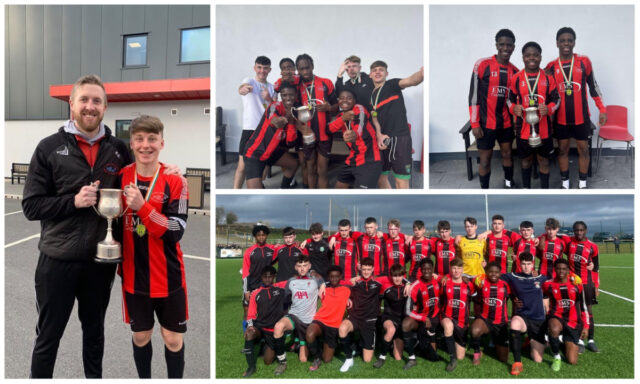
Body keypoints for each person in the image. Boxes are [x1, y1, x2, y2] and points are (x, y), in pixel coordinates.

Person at [22, 74, 133, 378]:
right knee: (48, 338)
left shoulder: (119, 150)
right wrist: (73, 201)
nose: (90, 106)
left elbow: (143, 178)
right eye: (83, 99)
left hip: (100, 262)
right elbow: (31, 206)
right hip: (57, 261)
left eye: (96, 100)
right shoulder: (49, 147)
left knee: (95, 335)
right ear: (71, 104)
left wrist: (169, 169)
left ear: (105, 106)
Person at [120, 115, 189, 378]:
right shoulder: (121, 177)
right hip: (134, 278)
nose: (145, 145)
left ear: (162, 143)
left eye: (151, 139)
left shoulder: (176, 181)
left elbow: (176, 230)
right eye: (139, 139)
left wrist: (143, 208)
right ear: (132, 143)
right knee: (141, 336)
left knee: (172, 338)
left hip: (169, 276)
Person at [545, 27, 607, 189]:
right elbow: (544, 92)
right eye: (563, 40)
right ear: (557, 43)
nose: (566, 43)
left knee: (584, 150)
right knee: (563, 150)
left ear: (574, 42)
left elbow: (593, 87)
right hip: (561, 120)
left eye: (570, 40)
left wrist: (602, 109)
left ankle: (582, 183)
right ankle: (565, 183)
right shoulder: (551, 66)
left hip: (581, 119)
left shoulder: (583, 62)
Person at [468, 28, 519, 189]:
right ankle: (484, 190)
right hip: (485, 124)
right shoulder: (482, 65)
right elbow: (473, 96)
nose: (505, 48)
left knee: (507, 154)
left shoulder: (515, 71)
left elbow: (515, 100)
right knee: (485, 159)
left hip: (505, 124)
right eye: (502, 44)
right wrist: (474, 124)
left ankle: (509, 184)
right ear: (496, 45)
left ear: (513, 47)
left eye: (509, 45)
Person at [507, 42, 560, 189]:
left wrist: (549, 108)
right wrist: (514, 108)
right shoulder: (516, 78)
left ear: (540, 57)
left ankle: (545, 190)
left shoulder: (548, 78)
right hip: (523, 131)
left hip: (544, 130)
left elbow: (557, 99)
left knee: (544, 161)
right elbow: (508, 99)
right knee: (525, 161)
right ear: (523, 57)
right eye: (528, 55)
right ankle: (526, 189)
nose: (532, 58)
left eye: (535, 55)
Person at [369, 61, 424, 189]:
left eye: (381, 70)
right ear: (370, 74)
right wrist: (378, 134)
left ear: (386, 73)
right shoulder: (371, 96)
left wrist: (421, 74)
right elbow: (374, 117)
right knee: (380, 178)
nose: (377, 72)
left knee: (401, 182)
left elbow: (411, 81)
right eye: (375, 70)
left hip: (400, 139)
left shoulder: (391, 85)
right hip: (383, 140)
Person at [271, 255, 326, 375]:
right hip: (294, 316)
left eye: (305, 266)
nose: (302, 268)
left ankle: (303, 342)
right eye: (299, 266)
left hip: (308, 321)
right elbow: (286, 300)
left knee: (303, 359)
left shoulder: (315, 279)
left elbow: (325, 283)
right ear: (296, 267)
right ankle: (282, 362)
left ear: (309, 266)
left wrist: (323, 285)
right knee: (278, 327)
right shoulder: (291, 281)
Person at [242, 83, 300, 189]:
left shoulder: (294, 113)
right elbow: (274, 120)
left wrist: (291, 122)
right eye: (284, 95)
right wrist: (281, 120)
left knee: (293, 164)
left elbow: (290, 142)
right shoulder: (274, 106)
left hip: (271, 152)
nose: (288, 98)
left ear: (296, 96)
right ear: (281, 96)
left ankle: (284, 189)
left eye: (291, 95)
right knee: (254, 194)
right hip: (255, 153)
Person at [500, 252, 549, 375]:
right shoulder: (512, 276)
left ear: (533, 264)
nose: (526, 267)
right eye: (523, 264)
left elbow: (558, 278)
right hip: (523, 317)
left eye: (528, 264)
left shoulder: (540, 277)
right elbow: (493, 275)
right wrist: (512, 296)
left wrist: (574, 278)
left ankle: (533, 341)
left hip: (538, 320)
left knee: (537, 360)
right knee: (514, 324)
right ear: (519, 264)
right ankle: (517, 363)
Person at [295, 53, 338, 189]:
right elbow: (292, 112)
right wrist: (302, 129)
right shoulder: (296, 87)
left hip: (324, 135)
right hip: (307, 135)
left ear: (312, 66)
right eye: (301, 69)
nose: (305, 72)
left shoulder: (326, 82)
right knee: (310, 170)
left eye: (307, 68)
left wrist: (329, 107)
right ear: (298, 70)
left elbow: (338, 106)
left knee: (322, 171)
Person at [235, 56, 276, 189]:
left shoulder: (272, 87)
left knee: (262, 164)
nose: (262, 71)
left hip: (265, 130)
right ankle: (235, 190)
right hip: (250, 128)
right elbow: (242, 88)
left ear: (269, 70)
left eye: (265, 68)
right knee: (242, 166)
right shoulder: (249, 80)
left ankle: (258, 186)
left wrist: (269, 98)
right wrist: (243, 89)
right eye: (259, 67)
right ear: (255, 68)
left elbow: (275, 108)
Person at [328, 89, 382, 188]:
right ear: (338, 101)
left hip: (370, 160)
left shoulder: (359, 108)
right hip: (352, 159)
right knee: (338, 189)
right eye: (342, 98)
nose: (345, 101)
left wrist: (355, 134)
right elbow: (329, 129)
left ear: (354, 101)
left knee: (361, 197)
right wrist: (343, 118)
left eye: (349, 98)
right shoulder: (341, 116)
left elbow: (360, 125)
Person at [338, 258, 384, 372]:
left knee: (367, 360)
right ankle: (349, 358)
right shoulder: (355, 282)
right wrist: (347, 297)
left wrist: (408, 283)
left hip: (369, 321)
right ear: (360, 269)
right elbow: (337, 281)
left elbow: (397, 278)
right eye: (364, 269)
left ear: (373, 269)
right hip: (355, 318)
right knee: (342, 328)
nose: (366, 272)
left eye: (369, 269)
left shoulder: (379, 283)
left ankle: (358, 346)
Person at [543, 259, 589, 371]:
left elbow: (583, 306)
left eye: (564, 269)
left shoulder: (577, 285)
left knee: (572, 361)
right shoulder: (548, 285)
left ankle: (559, 341)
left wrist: (586, 326)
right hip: (556, 315)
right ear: (555, 269)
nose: (561, 271)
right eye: (558, 268)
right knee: (554, 328)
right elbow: (540, 296)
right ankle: (556, 357)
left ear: (568, 270)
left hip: (573, 320)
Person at [242, 266, 288, 377]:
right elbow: (251, 314)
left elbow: (295, 279)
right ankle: (251, 367)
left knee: (267, 361)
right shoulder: (256, 293)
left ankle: (265, 345)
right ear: (261, 277)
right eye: (265, 277)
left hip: (274, 331)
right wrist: (250, 326)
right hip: (261, 327)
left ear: (274, 277)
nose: (267, 279)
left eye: (270, 277)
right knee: (249, 333)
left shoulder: (280, 288)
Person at [306, 266, 351, 371]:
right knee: (310, 333)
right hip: (320, 320)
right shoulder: (324, 288)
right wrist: (323, 284)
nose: (334, 279)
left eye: (336, 276)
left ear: (341, 277)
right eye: (331, 277)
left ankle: (324, 345)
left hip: (334, 326)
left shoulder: (346, 289)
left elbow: (358, 285)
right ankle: (317, 357)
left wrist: (349, 299)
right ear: (328, 278)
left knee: (327, 359)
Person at [565, 221, 600, 353]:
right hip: (573, 283)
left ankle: (591, 340)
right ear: (573, 231)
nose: (579, 233)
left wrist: (596, 285)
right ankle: (579, 340)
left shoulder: (592, 246)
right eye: (576, 230)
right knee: (576, 311)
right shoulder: (569, 243)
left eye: (581, 230)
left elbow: (596, 267)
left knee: (588, 311)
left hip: (587, 283)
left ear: (586, 230)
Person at [402, 258, 441, 370]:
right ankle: (411, 358)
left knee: (433, 357)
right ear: (420, 270)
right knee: (405, 325)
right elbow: (408, 310)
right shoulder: (415, 286)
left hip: (435, 318)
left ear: (432, 269)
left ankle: (422, 341)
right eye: (424, 269)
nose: (427, 271)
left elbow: (449, 280)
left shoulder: (437, 281)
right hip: (421, 319)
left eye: (429, 269)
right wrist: (423, 318)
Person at [469, 262, 511, 365]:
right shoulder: (481, 282)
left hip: (500, 322)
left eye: (496, 272)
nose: (493, 274)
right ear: (486, 272)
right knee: (475, 330)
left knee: (503, 359)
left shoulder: (505, 285)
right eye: (490, 272)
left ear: (500, 273)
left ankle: (497, 341)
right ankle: (477, 352)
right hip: (485, 319)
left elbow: (511, 297)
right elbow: (467, 279)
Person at [440, 258, 475, 372]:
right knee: (448, 326)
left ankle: (447, 341)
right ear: (450, 269)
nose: (456, 271)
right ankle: (452, 359)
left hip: (462, 321)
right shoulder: (444, 282)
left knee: (461, 356)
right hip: (447, 316)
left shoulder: (469, 285)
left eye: (459, 268)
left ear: (462, 270)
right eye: (454, 268)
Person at [372, 264, 409, 368]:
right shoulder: (385, 287)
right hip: (388, 317)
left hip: (401, 320)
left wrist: (408, 283)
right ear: (391, 276)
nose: (397, 278)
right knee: (391, 330)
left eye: (399, 276)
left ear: (403, 276)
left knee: (398, 357)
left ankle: (390, 343)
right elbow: (376, 297)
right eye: (394, 276)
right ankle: (382, 357)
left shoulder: (407, 287)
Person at [242, 225, 276, 331]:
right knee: (247, 311)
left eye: (263, 235)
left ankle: (264, 333)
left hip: (265, 285)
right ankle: (246, 333)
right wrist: (246, 290)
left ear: (266, 236)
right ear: (255, 237)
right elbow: (245, 272)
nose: (261, 237)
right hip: (251, 285)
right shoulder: (249, 251)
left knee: (265, 310)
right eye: (258, 235)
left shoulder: (272, 249)